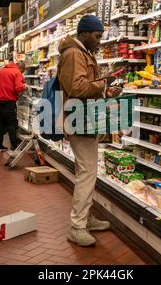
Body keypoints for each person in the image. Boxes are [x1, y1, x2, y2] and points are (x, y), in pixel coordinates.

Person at [58, 15, 122, 247]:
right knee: (87, 172)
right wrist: (104, 86)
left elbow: (85, 85)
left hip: (83, 118)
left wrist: (105, 89)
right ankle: (76, 227)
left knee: (84, 170)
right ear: (84, 33)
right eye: (97, 36)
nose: (99, 41)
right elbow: (77, 87)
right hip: (79, 119)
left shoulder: (83, 52)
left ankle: (86, 218)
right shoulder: (74, 53)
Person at [0, 60, 27, 152]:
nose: (22, 73)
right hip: (8, 100)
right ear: (21, 68)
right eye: (22, 71)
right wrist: (25, 86)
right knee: (12, 123)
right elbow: (18, 88)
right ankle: (14, 147)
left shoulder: (1, 71)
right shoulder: (17, 72)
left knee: (1, 122)